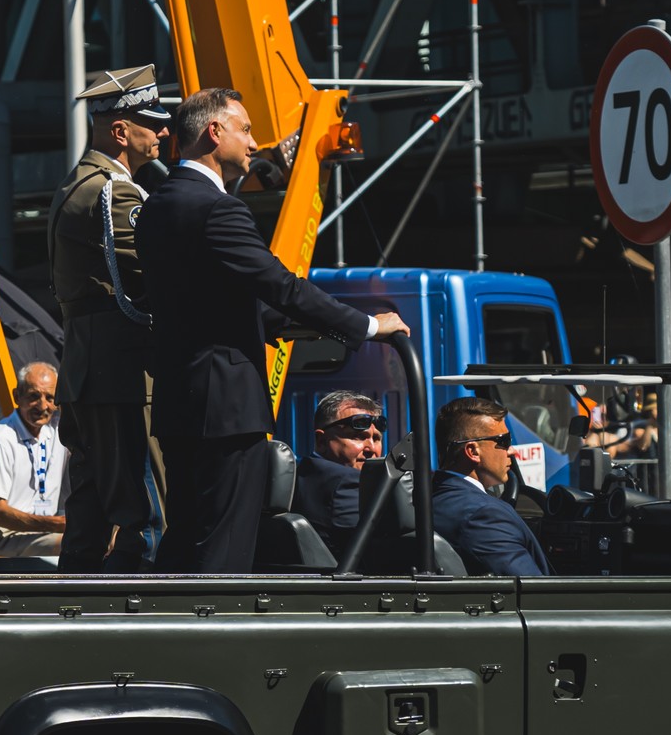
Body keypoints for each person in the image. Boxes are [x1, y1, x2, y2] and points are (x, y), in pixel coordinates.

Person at [135, 87, 410, 573]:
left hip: (180, 402)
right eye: (244, 129)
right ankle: (214, 625)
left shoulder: (157, 206)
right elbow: (280, 286)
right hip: (228, 407)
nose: (253, 142)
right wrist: (367, 325)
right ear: (213, 132)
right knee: (225, 549)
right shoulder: (218, 208)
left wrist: (293, 325)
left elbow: (210, 296)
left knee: (185, 540)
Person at [48, 64, 173, 573]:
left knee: (91, 514)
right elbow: (160, 273)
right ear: (121, 131)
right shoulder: (113, 192)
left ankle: (75, 608)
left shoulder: (79, 184)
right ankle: (146, 612)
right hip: (121, 374)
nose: (163, 131)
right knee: (148, 516)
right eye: (152, 122)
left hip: (90, 371)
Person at [430, 396, 551, 577]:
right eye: (504, 441)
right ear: (473, 451)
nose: (512, 450)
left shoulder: (430, 497)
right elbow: (531, 588)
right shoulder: (484, 515)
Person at [0, 362, 70, 558]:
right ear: (17, 397)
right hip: (2, 536)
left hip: (43, 530)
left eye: (50, 398)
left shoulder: (56, 431)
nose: (43, 406)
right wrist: (56, 524)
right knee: (76, 544)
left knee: (106, 539)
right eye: (34, 396)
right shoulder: (0, 438)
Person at [293, 391, 383, 557]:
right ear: (321, 441)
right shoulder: (347, 483)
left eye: (376, 439)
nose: (371, 448)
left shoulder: (298, 475)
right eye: (358, 437)